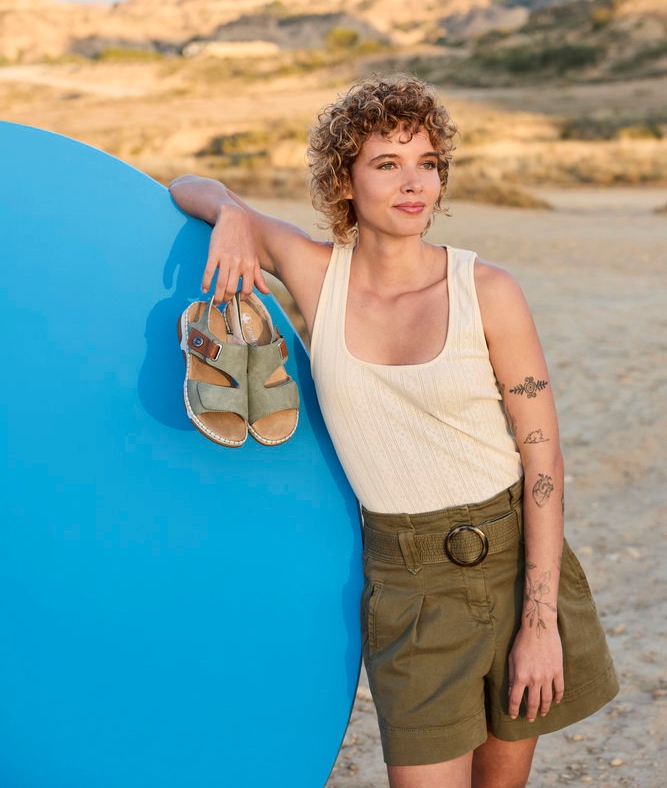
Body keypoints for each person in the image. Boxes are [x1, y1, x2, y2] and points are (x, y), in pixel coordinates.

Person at [169, 74, 618, 788]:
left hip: (514, 564)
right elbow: (186, 183)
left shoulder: (487, 291)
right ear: (343, 181)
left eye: (427, 163)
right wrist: (231, 215)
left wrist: (537, 624)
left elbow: (542, 460)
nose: (413, 184)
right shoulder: (318, 276)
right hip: (406, 584)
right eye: (386, 164)